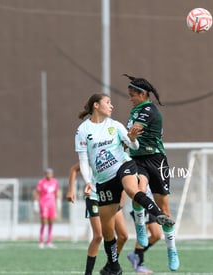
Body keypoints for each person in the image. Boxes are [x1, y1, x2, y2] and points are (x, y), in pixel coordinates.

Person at [75, 93, 175, 275]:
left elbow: (134, 147)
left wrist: (133, 138)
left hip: (123, 165)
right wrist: (88, 181)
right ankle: (113, 265)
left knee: (132, 189)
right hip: (103, 181)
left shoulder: (115, 125)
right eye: (108, 102)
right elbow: (83, 160)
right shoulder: (83, 130)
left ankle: (158, 215)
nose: (111, 106)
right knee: (107, 233)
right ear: (96, 105)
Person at [124, 74, 180, 271]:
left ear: (142, 94)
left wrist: (128, 137)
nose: (130, 98)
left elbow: (135, 131)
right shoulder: (135, 110)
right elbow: (130, 136)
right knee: (138, 192)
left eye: (132, 95)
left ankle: (171, 249)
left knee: (165, 209)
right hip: (138, 160)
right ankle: (141, 230)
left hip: (156, 159)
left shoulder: (148, 109)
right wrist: (127, 140)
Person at [66, 163, 128, 275]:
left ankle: (110, 266)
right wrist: (71, 190)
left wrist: (121, 200)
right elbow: (74, 169)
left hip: (111, 198)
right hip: (94, 197)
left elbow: (124, 180)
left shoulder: (120, 157)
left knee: (123, 236)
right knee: (98, 235)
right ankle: (88, 273)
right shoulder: (94, 153)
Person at [127, 187, 162, 274]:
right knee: (143, 233)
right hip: (139, 205)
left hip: (150, 206)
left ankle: (135, 254)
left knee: (156, 235)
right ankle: (139, 264)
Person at [34, 168, 60, 249]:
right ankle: (41, 241)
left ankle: (49, 241)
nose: (49, 175)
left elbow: (56, 192)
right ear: (45, 174)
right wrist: (35, 203)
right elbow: (37, 193)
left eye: (50, 173)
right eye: (48, 173)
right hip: (43, 204)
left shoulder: (55, 182)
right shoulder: (41, 182)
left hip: (52, 204)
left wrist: (58, 202)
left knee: (51, 222)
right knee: (44, 222)